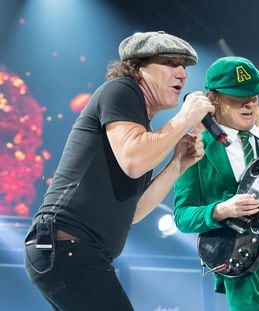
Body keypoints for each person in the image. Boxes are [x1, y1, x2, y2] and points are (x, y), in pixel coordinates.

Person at [24, 31, 214, 311]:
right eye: (171, 63)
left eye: (185, 67)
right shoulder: (122, 89)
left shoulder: (142, 130)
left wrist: (178, 164)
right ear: (138, 67)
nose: (182, 73)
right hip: (68, 246)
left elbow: (134, 212)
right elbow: (134, 161)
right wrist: (185, 118)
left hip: (74, 251)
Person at [174, 56, 259, 311]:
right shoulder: (197, 149)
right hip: (243, 262)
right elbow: (182, 216)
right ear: (214, 99)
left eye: (254, 96)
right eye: (238, 98)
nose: (249, 103)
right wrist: (221, 210)